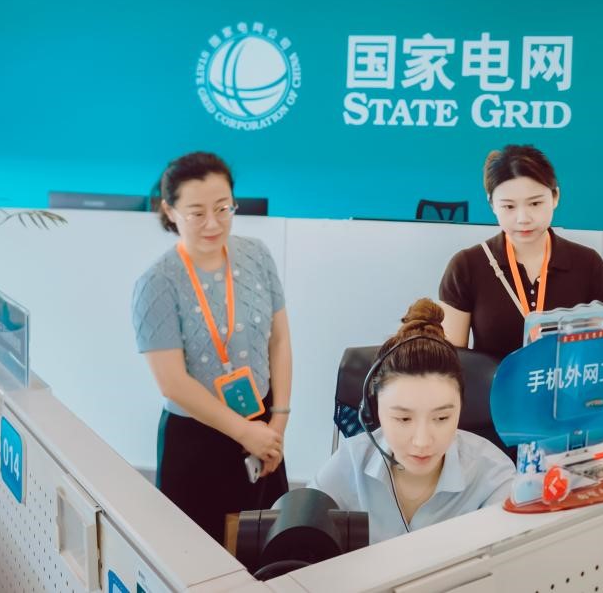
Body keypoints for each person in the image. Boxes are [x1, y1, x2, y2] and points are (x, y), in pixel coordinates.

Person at [131, 152, 292, 541]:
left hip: (262, 422)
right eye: (197, 213)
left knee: (266, 548)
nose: (213, 223)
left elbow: (280, 339)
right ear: (170, 211)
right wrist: (244, 433)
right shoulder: (157, 283)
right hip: (196, 438)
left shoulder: (257, 255)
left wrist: (279, 420)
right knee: (198, 552)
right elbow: (172, 382)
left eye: (223, 208)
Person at [310, 299, 514, 544]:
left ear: (462, 408)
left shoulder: (492, 476)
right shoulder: (349, 464)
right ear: (373, 410)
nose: (422, 441)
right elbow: (298, 536)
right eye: (403, 418)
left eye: (441, 418)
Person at [438, 145, 603, 358]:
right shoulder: (466, 266)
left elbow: (600, 352)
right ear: (492, 204)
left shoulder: (588, 264)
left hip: (567, 380)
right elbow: (452, 360)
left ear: (555, 197)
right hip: (493, 381)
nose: (523, 218)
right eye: (509, 207)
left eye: (535, 203)